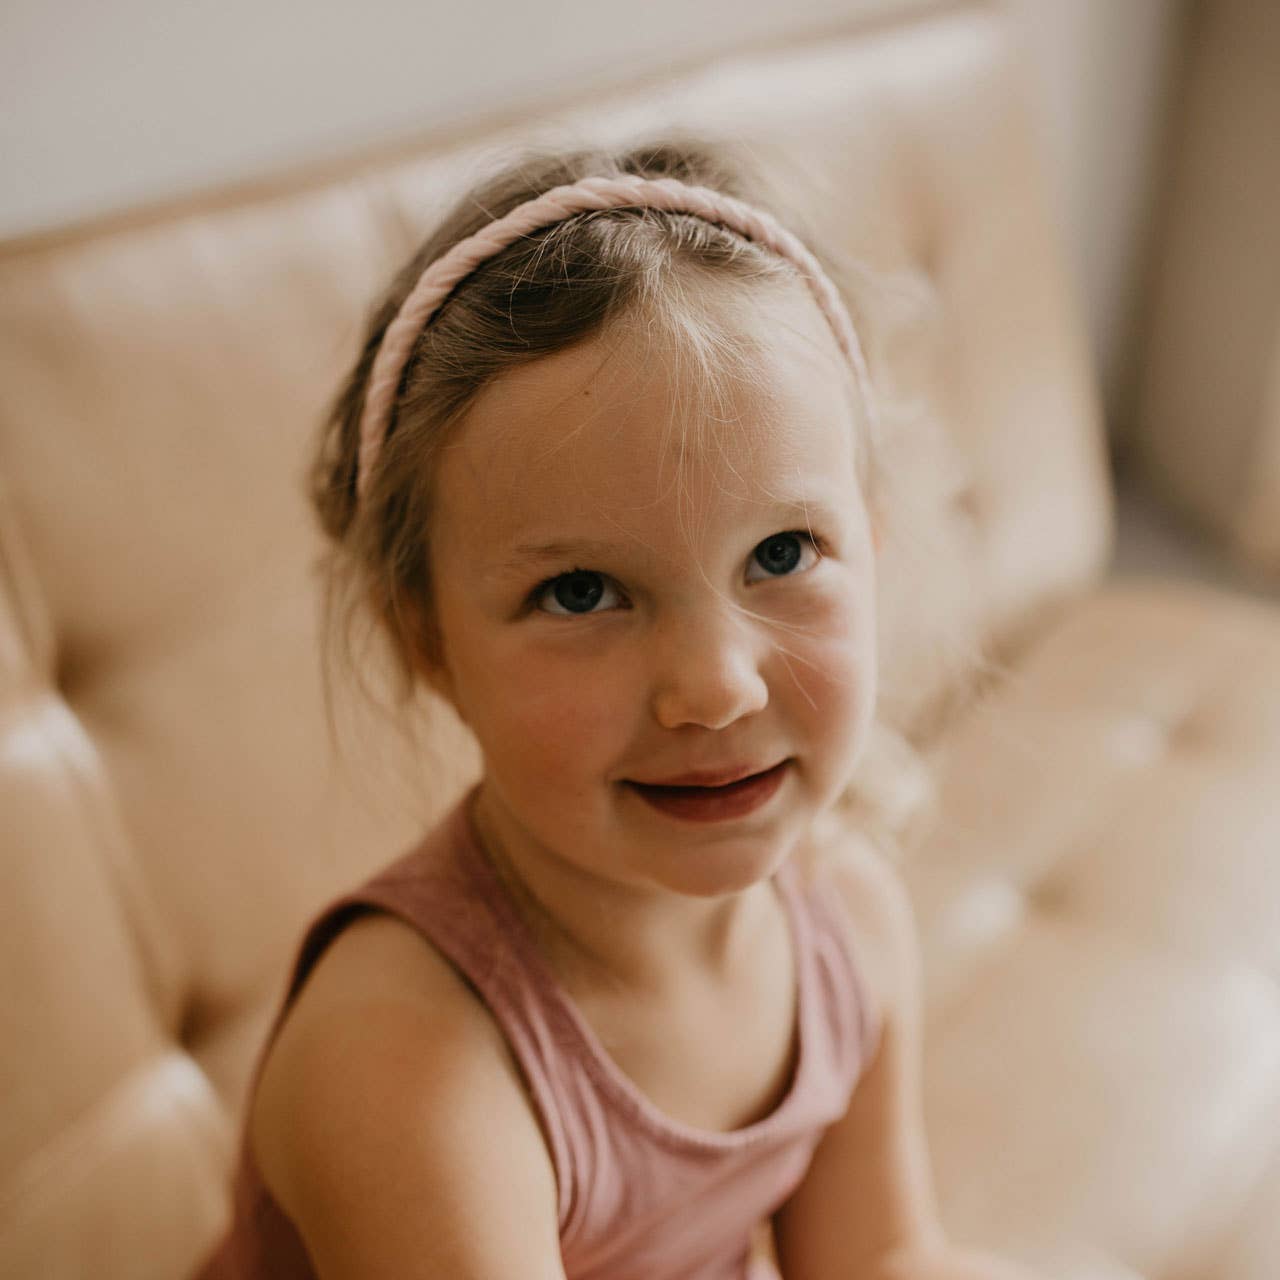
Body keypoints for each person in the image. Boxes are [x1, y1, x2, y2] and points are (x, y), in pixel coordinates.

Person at [193, 136, 1041, 1280]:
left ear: (871, 541)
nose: (714, 685)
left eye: (781, 550)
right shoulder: (404, 1061)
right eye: (580, 591)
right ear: (425, 637)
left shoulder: (846, 917)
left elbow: (878, 1254)